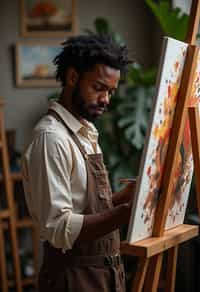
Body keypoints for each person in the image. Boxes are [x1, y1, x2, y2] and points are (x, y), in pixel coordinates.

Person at [22, 34, 135, 292]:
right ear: (72, 78)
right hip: (72, 279)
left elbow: (83, 207)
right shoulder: (51, 139)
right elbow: (59, 227)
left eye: (111, 91)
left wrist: (122, 199)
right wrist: (126, 213)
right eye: (98, 87)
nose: (106, 99)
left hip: (104, 274)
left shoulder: (86, 132)